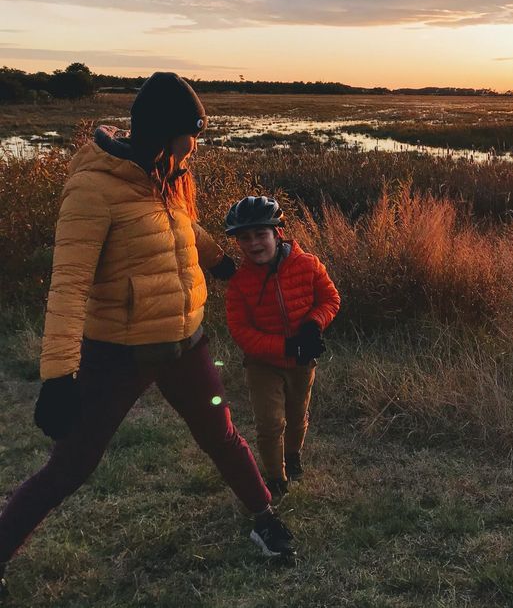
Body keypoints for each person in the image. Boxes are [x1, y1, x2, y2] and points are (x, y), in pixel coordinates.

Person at [0, 73, 294, 600]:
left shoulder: (165, 176)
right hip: (119, 354)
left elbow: (180, 225)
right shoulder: (93, 189)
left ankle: (263, 515)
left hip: (186, 343)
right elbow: (68, 285)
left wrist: (217, 259)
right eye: (189, 138)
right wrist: (58, 377)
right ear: (162, 133)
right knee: (71, 463)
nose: (193, 149)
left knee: (221, 434)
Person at [224, 196, 341, 500]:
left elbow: (330, 299)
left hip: (303, 360)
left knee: (297, 415)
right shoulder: (239, 284)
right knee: (270, 422)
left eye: (260, 234)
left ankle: (293, 456)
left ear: (277, 233)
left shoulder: (307, 264)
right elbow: (243, 333)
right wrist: (286, 345)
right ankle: (276, 478)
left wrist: (314, 324)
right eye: (244, 238)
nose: (253, 244)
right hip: (263, 364)